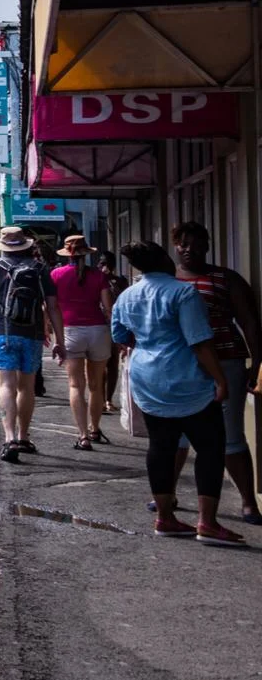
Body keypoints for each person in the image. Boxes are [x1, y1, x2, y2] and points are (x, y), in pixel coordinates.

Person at [112, 240, 245, 546]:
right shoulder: (184, 292)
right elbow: (199, 341)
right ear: (165, 261)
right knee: (210, 447)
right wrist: (220, 379)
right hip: (187, 380)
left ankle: (164, 517)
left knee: (161, 446)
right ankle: (207, 523)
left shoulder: (126, 296)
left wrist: (151, 343)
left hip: (146, 378)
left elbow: (121, 336)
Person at [171, 221, 262, 526]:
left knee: (231, 435)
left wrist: (256, 364)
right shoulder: (167, 280)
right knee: (178, 434)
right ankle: (167, 494)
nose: (189, 250)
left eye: (196, 244)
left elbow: (249, 322)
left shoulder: (226, 279)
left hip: (227, 363)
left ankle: (249, 502)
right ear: (175, 246)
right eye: (183, 243)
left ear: (207, 246)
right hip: (182, 367)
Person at [0, 227, 64, 464]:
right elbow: (53, 307)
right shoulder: (41, 269)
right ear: (25, 245)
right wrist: (60, 340)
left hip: (4, 335)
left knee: (6, 386)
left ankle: (9, 438)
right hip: (32, 336)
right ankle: (23, 436)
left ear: (2, 245)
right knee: (27, 387)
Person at [51, 235, 115, 451]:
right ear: (87, 253)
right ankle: (95, 429)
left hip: (70, 331)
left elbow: (50, 307)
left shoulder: (56, 275)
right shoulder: (99, 276)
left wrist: (50, 332)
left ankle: (83, 436)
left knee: (76, 385)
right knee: (96, 386)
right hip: (97, 331)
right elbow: (108, 308)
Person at [99, 250, 130, 412]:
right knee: (101, 364)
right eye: (101, 263)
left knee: (113, 364)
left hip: (115, 325)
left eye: (107, 263)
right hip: (99, 325)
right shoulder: (96, 280)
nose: (104, 266)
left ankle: (108, 399)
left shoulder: (120, 281)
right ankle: (100, 399)